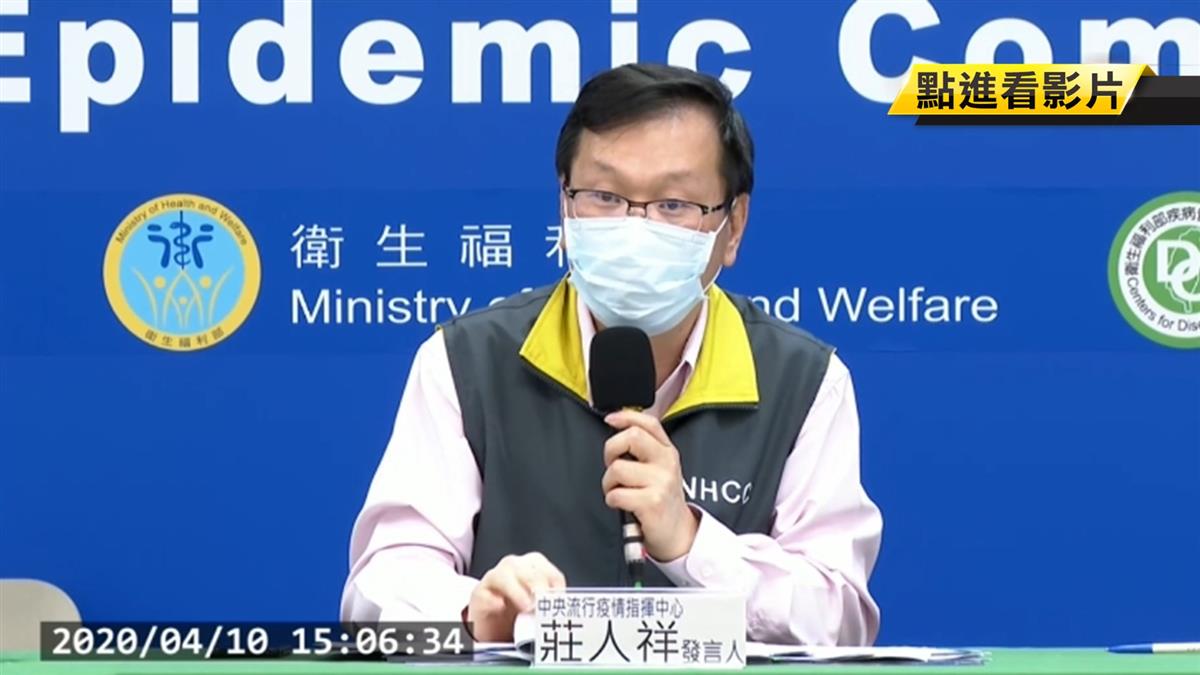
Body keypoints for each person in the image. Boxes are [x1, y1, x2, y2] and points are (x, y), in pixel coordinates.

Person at [341, 63, 882, 646]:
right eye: (604, 196)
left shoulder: (804, 380)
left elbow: (839, 618)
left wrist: (691, 540)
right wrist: (473, 612)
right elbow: (380, 586)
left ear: (733, 226)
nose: (635, 228)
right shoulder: (466, 361)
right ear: (565, 207)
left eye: (673, 203)